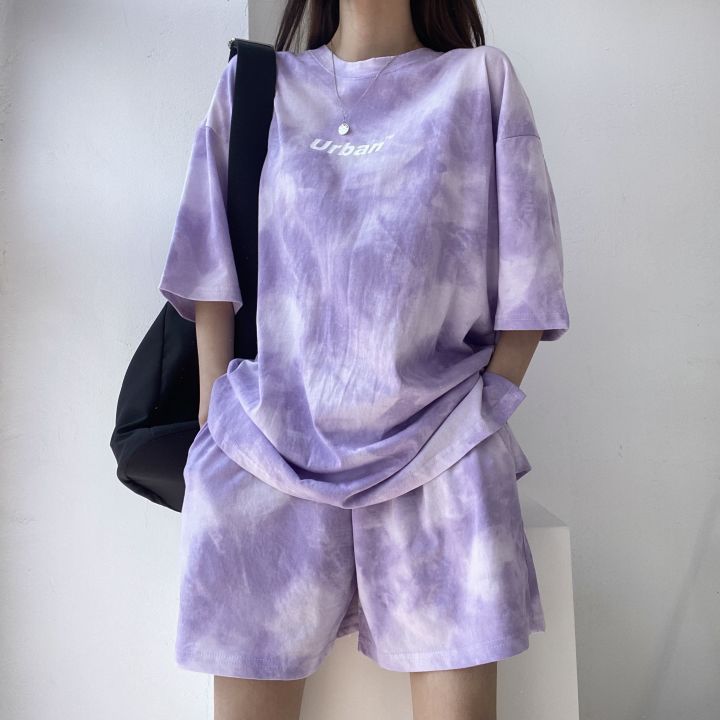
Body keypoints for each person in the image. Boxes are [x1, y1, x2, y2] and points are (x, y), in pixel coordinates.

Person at [157, 1, 570, 718]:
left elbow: (529, 281)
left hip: (441, 453)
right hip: (265, 452)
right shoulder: (256, 86)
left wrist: (484, 413)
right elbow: (207, 264)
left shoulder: (479, 83)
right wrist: (213, 413)